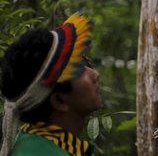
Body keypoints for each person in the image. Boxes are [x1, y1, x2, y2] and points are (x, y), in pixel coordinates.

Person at [1, 14, 102, 156]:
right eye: (78, 70)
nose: (95, 74)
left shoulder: (38, 144)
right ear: (59, 101)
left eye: (86, 62)